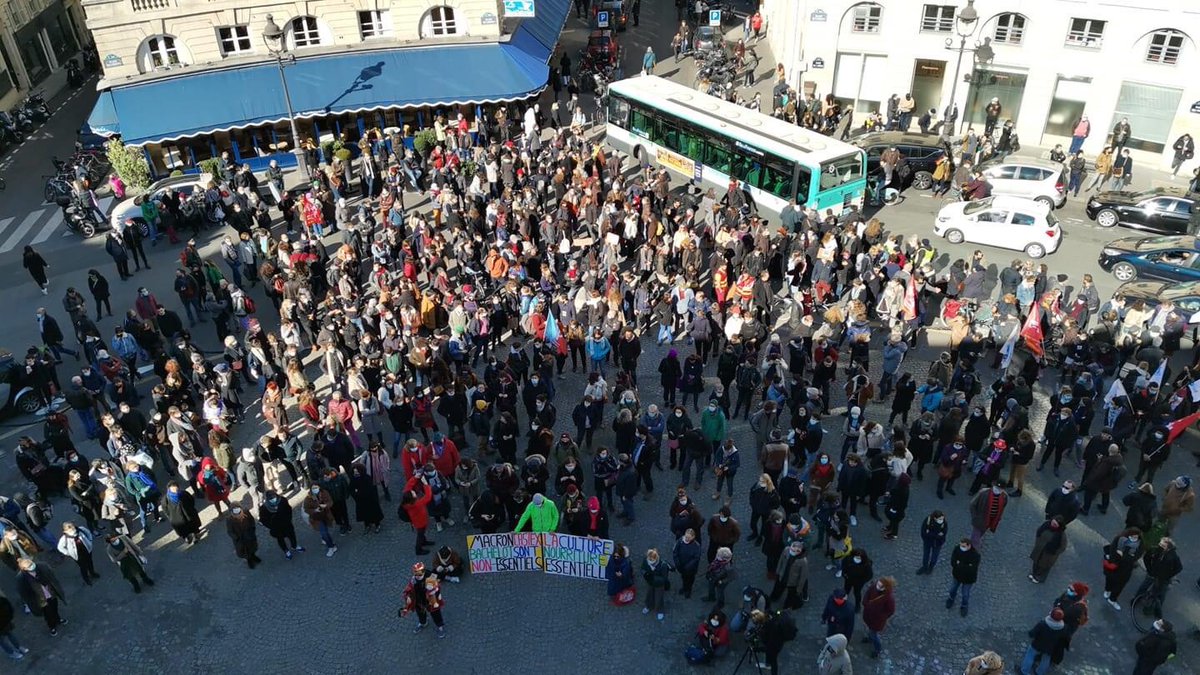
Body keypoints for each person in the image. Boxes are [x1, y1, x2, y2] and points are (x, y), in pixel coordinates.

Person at [15, 557, 66, 635]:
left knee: (54, 607)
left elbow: (51, 576)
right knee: (48, 614)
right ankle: (52, 626)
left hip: (50, 593)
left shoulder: (41, 567)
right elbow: (24, 593)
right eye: (29, 566)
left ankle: (58, 619)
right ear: (24, 569)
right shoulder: (22, 578)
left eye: (31, 564)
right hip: (41, 600)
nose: (32, 566)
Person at [401, 562, 446, 638]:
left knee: (436, 613)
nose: (417, 576)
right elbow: (409, 588)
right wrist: (408, 596)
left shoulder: (431, 577)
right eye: (416, 574)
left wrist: (432, 589)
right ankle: (423, 623)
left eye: (419, 574)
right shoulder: (413, 579)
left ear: (423, 572)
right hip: (419, 600)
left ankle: (440, 627)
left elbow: (437, 588)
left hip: (431, 600)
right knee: (420, 613)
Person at [1020, 608, 1069, 675]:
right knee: (1046, 659)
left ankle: (1024, 671)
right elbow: (1064, 638)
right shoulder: (1063, 627)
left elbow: (1032, 633)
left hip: (1037, 644)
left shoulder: (1043, 624)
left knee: (1030, 655)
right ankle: (1039, 672)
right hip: (1050, 647)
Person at [259, 489, 304, 559]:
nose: (273, 499)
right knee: (280, 539)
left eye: (274, 497)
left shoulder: (282, 500)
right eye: (271, 498)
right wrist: (271, 526)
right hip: (276, 527)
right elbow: (263, 520)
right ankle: (286, 551)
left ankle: (294, 546)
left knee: (292, 535)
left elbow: (288, 509)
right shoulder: (264, 508)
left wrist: (288, 519)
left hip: (286, 523)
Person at [861, 576, 896, 658]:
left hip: (877, 620)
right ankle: (869, 639)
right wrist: (865, 603)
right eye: (878, 584)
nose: (877, 586)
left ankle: (878, 649)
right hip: (869, 614)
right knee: (870, 629)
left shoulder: (889, 598)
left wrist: (881, 616)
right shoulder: (874, 586)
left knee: (874, 634)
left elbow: (891, 611)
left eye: (880, 586)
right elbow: (867, 593)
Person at [946, 538, 979, 617]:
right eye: (961, 545)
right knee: (953, 589)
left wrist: (959, 564)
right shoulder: (957, 549)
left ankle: (964, 606)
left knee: (965, 594)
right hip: (957, 575)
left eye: (963, 546)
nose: (961, 547)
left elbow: (972, 569)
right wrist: (966, 565)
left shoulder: (975, 555)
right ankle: (951, 599)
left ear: (969, 546)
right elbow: (953, 562)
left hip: (968, 579)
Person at [641, 548, 674, 620]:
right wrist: (645, 574)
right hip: (650, 582)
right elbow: (642, 568)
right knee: (649, 594)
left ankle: (660, 610)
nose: (650, 561)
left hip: (659, 584)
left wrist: (653, 578)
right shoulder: (646, 561)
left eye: (651, 559)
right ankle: (648, 606)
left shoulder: (663, 565)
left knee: (659, 597)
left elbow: (664, 578)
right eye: (649, 559)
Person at [226, 503, 262, 568]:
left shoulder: (246, 512)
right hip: (240, 539)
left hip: (249, 535)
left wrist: (252, 529)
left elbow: (251, 520)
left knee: (252, 547)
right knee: (245, 551)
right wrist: (236, 537)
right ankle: (249, 560)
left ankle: (253, 556)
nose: (238, 515)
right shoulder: (229, 519)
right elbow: (230, 531)